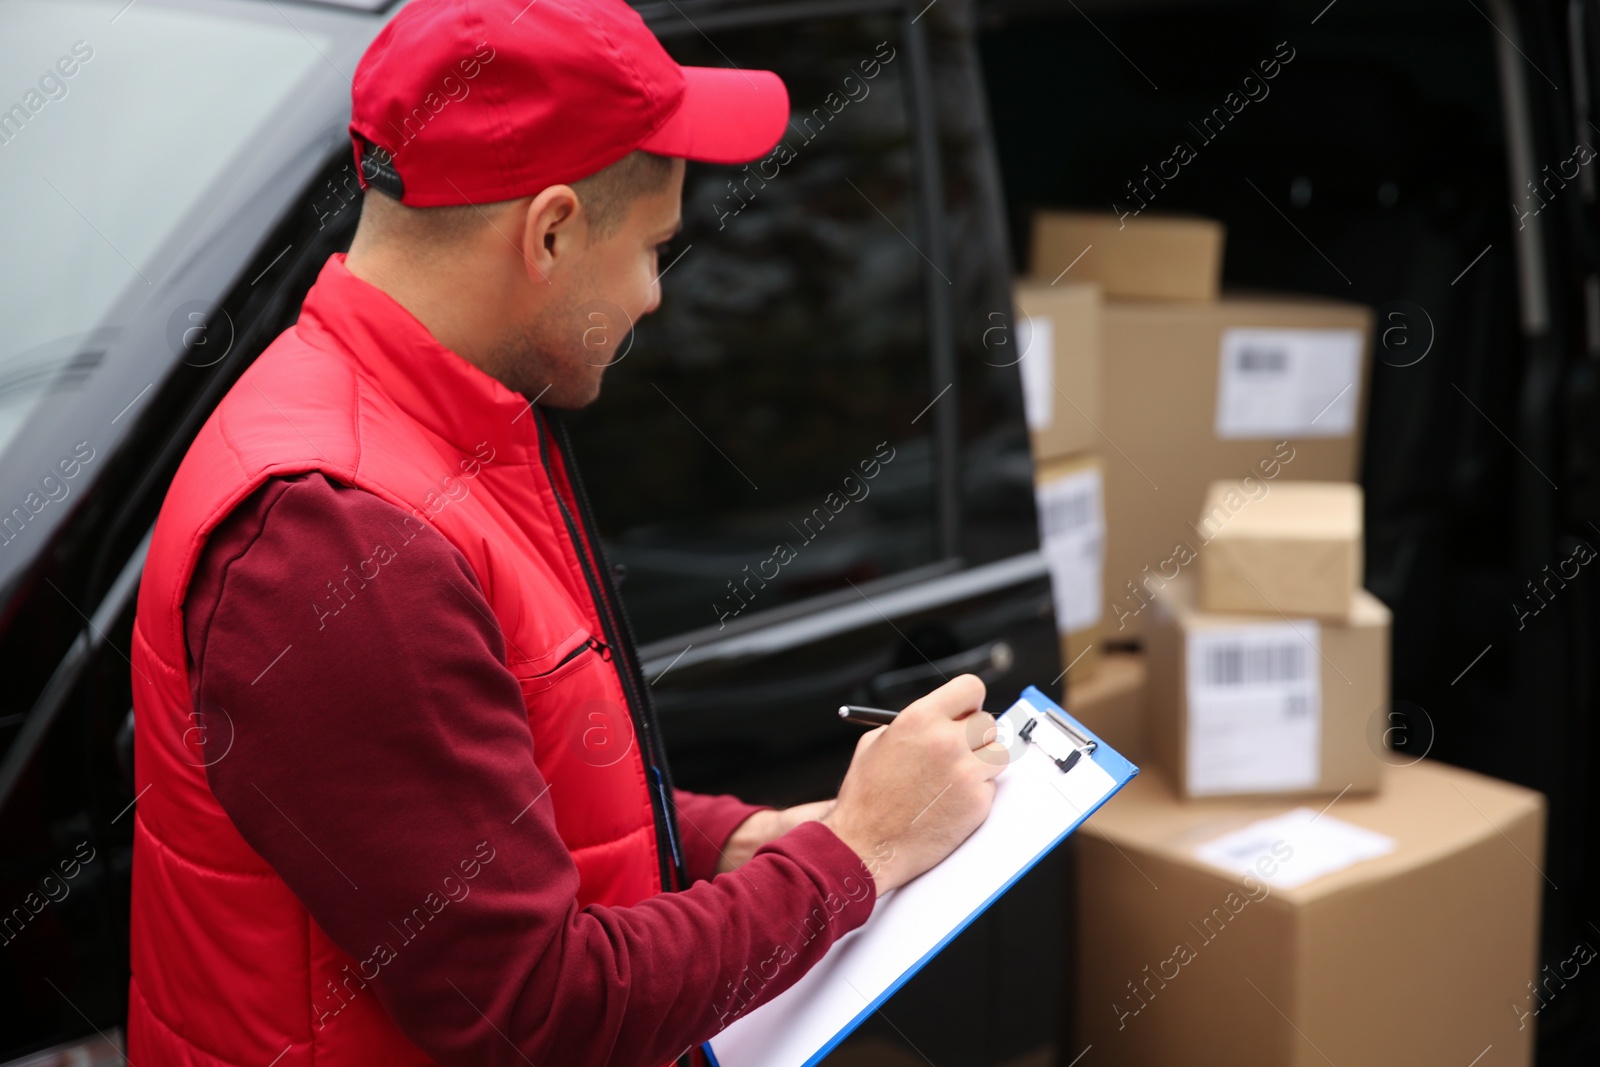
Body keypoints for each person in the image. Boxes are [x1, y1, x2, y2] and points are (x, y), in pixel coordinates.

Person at [126, 0, 1007, 1064]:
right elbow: (534, 1012)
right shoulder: (337, 540)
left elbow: (486, 794)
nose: (651, 299)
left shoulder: (409, 425)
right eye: (653, 250)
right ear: (548, 232)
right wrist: (854, 850)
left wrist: (730, 837)